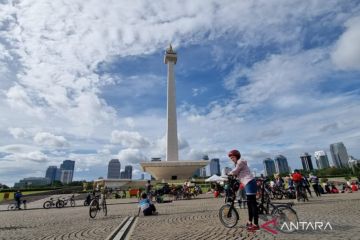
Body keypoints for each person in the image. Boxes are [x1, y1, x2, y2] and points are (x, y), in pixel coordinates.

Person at [228, 150, 259, 231]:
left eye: (233, 157)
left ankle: (256, 224)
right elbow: (238, 173)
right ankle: (249, 222)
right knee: (249, 204)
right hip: (248, 183)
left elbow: (235, 171)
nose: (232, 159)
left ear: (237, 156)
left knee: (252, 204)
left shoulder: (240, 162)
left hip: (250, 183)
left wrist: (228, 173)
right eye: (231, 158)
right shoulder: (238, 163)